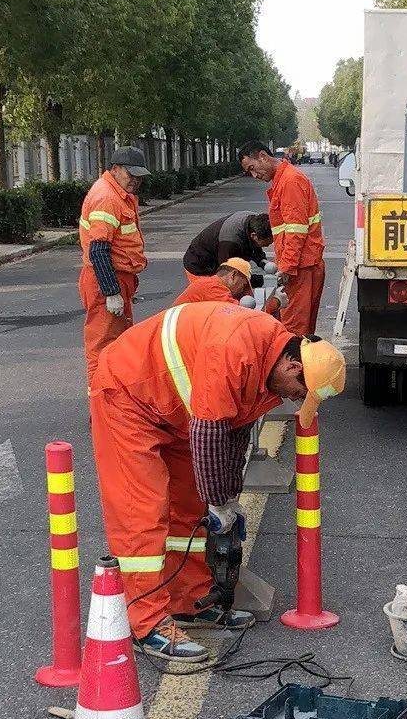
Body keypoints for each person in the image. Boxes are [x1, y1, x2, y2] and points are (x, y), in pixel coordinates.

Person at [90, 301, 346, 660]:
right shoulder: (234, 349)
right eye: (298, 391)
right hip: (127, 396)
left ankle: (188, 601)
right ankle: (145, 622)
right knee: (141, 512)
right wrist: (220, 501)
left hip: (176, 410)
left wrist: (226, 497)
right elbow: (210, 434)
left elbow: (235, 434)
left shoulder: (269, 368)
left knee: (191, 504)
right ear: (293, 365)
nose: (293, 398)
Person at [237, 141, 326, 336]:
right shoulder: (284, 180)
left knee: (293, 328)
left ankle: (294, 365)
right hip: (302, 265)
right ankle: (301, 363)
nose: (254, 175)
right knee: (301, 328)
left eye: (252, 168)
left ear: (263, 156)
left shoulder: (289, 181)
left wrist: (286, 267)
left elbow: (296, 231)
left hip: (300, 268)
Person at [78, 146, 149, 385]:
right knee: (103, 346)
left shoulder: (118, 194)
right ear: (116, 169)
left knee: (118, 343)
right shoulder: (106, 198)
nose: (135, 181)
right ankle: (100, 408)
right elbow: (98, 249)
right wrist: (111, 292)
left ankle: (114, 404)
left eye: (139, 176)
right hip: (106, 282)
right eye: (131, 175)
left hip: (118, 279)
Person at [183, 211, 273, 283]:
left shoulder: (255, 222)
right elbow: (227, 276)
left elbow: (254, 248)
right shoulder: (230, 243)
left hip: (218, 260)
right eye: (267, 243)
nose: (268, 245)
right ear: (254, 235)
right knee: (220, 298)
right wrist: (263, 280)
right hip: (200, 265)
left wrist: (263, 262)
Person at [174, 258, 253, 305]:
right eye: (244, 285)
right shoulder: (213, 287)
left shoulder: (210, 283)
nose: (242, 290)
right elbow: (240, 311)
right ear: (233, 275)